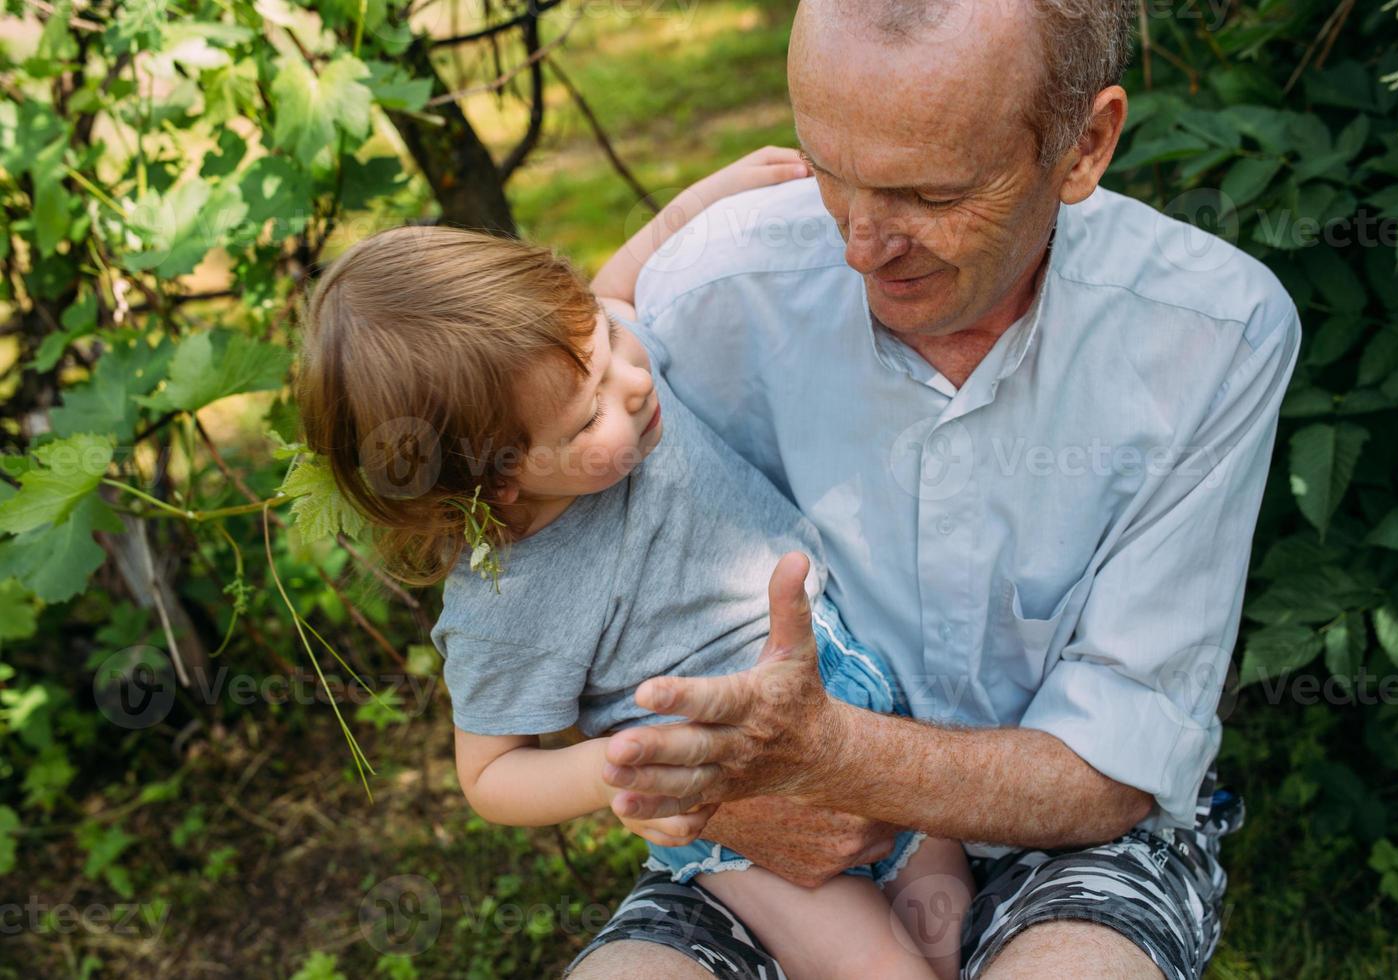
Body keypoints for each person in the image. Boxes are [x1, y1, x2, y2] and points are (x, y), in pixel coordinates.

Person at [570, 0, 1302, 978]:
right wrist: (735, 795)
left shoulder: (1215, 333)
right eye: (829, 170)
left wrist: (830, 753)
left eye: (930, 192)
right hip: (770, 830)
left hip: (1081, 840)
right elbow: (563, 573)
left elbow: (1114, 769)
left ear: (1085, 144)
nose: (862, 244)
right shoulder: (708, 290)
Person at [293, 151, 977, 980]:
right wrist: (620, 769)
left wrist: (708, 193)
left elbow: (618, 281)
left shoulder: (596, 369)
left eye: (608, 342)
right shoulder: (510, 598)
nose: (632, 382)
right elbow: (490, 775)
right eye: (587, 420)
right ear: (498, 484)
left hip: (856, 702)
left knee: (944, 929)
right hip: (735, 800)